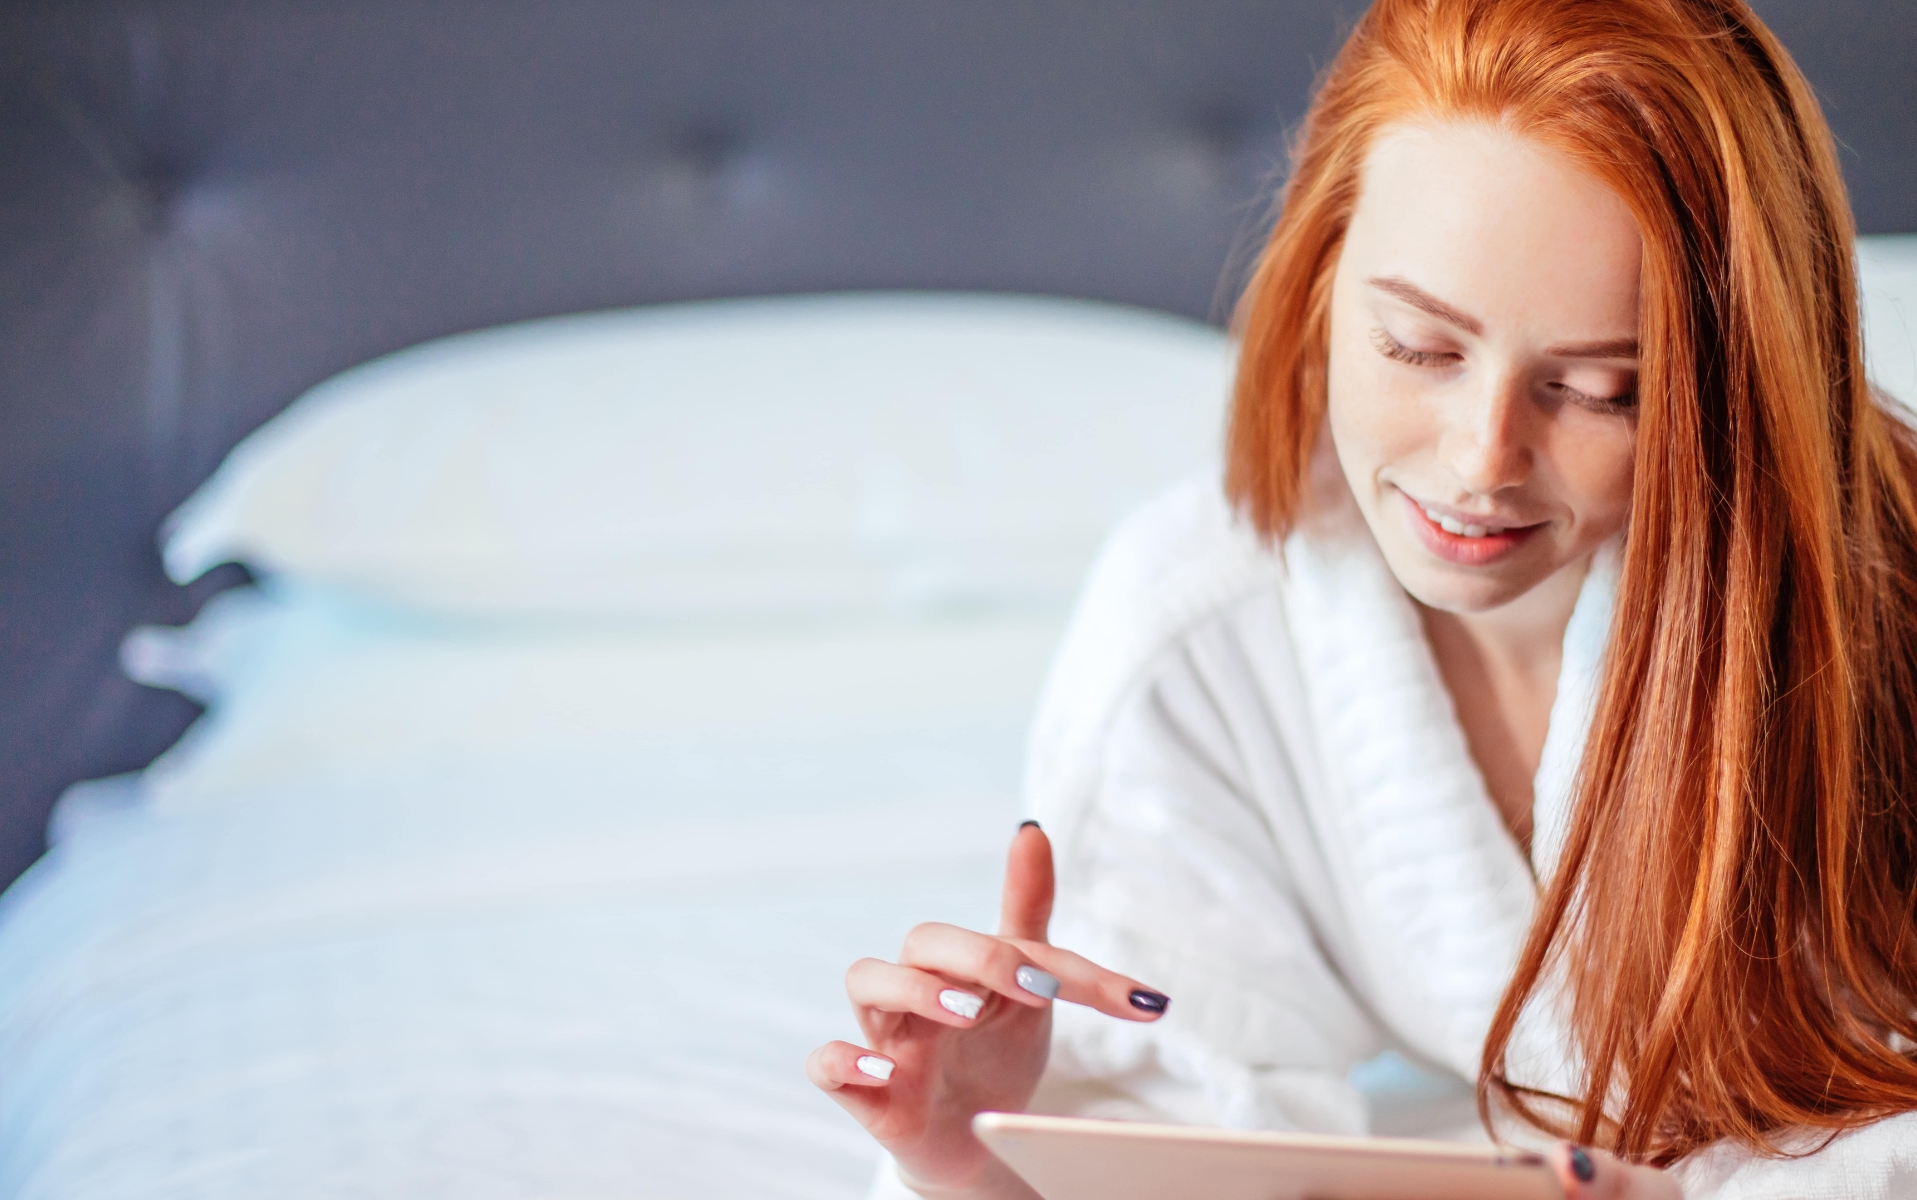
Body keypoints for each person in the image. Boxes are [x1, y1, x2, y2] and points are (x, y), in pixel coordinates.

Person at [806, 0, 1917, 1195]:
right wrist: (974, 1159)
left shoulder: (1879, 613)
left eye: (1602, 390)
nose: (1483, 458)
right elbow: (1177, 1105)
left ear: (1734, 383)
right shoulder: (1206, 631)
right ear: (1321, 274)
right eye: (1417, 350)